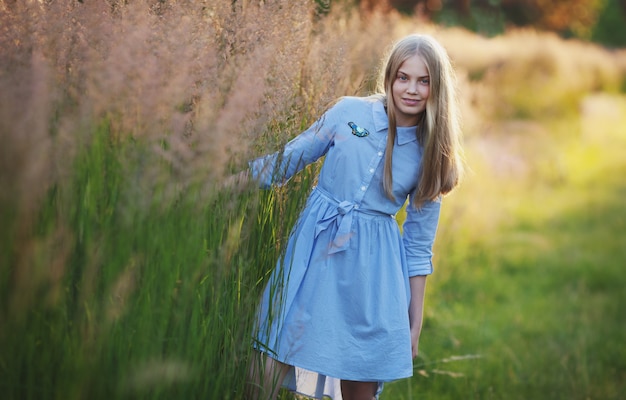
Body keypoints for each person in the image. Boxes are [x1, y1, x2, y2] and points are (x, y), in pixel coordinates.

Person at [245, 34, 464, 400]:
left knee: (360, 381)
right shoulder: (350, 113)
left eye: (423, 81)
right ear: (390, 77)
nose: (411, 89)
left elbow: (418, 247)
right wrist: (221, 184)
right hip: (314, 254)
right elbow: (287, 160)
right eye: (403, 77)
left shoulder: (432, 153)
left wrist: (415, 321)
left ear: (436, 87)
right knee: (265, 366)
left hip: (374, 274)